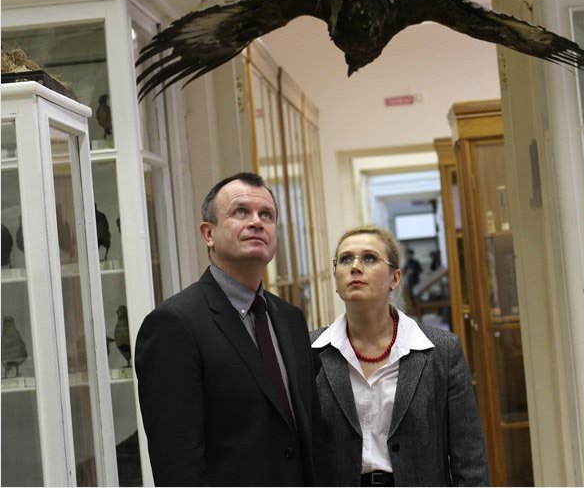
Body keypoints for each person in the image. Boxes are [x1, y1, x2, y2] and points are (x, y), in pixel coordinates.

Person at [135, 172, 315, 486]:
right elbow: (177, 462)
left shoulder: (290, 319)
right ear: (208, 233)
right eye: (241, 212)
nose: (257, 222)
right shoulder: (173, 325)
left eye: (266, 215)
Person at [311, 225, 488, 486]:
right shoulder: (310, 351)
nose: (355, 267)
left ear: (394, 278)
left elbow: (468, 454)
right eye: (345, 259)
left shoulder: (441, 351)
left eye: (369, 258)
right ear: (336, 278)